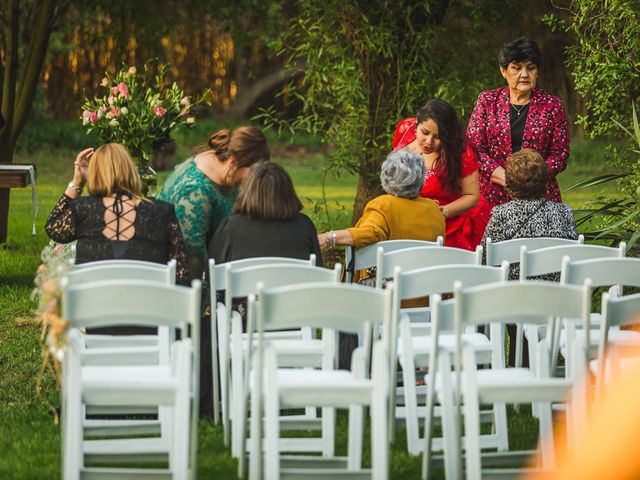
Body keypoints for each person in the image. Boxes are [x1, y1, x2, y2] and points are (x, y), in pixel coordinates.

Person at [45, 143, 190, 334]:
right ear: (131, 171)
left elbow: (54, 228)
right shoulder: (162, 211)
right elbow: (181, 275)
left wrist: (77, 182)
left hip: (95, 323)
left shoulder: (82, 209)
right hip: (152, 324)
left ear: (94, 174)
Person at [480, 148, 577, 367]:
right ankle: (539, 363)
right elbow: (573, 256)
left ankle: (519, 365)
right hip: (555, 296)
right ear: (545, 183)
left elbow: (485, 257)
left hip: (514, 299)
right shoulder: (564, 213)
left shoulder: (501, 214)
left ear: (509, 185)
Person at [467, 37, 570, 208]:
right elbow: (474, 148)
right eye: (516, 68)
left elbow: (560, 153)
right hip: (493, 194)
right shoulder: (487, 101)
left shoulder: (552, 105)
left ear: (537, 72)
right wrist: (505, 178)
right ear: (503, 71)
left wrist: (532, 179)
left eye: (530, 68)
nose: (524, 75)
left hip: (540, 195)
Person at [157, 126, 270, 281]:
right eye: (251, 172)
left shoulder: (220, 163)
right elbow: (192, 253)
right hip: (183, 277)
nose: (252, 179)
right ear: (233, 162)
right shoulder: (196, 191)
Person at [391, 99, 491, 250]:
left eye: (438, 137)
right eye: (424, 132)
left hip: (449, 226)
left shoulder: (461, 152)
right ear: (417, 122)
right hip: (409, 221)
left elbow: (472, 197)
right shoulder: (404, 130)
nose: (429, 141)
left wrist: (442, 212)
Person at [317, 149, 445, 250]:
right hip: (425, 279)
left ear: (387, 176)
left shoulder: (384, 205)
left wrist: (329, 237)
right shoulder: (434, 210)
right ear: (421, 179)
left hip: (388, 279)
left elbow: (369, 233)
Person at [209, 161, 322, 265]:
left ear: (248, 191)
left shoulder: (229, 228)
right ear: (288, 192)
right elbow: (318, 272)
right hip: (294, 286)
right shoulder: (304, 226)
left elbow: (214, 276)